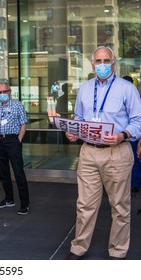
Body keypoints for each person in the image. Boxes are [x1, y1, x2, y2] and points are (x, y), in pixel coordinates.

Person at [65, 46, 141, 260]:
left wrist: (123, 135)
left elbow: (138, 120)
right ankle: (78, 247)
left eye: (106, 60)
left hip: (116, 152)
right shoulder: (85, 88)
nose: (102, 65)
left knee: (120, 205)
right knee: (84, 205)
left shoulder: (127, 89)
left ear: (114, 63)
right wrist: (74, 132)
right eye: (98, 61)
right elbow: (79, 117)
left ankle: (118, 251)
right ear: (92, 64)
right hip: (88, 152)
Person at [0, 82, 30, 215]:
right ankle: (9, 199)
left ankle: (25, 204)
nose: (2, 94)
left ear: (10, 91)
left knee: (18, 172)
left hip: (13, 141)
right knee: (3, 173)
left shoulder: (17, 105)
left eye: (4, 92)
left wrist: (18, 140)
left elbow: (23, 124)